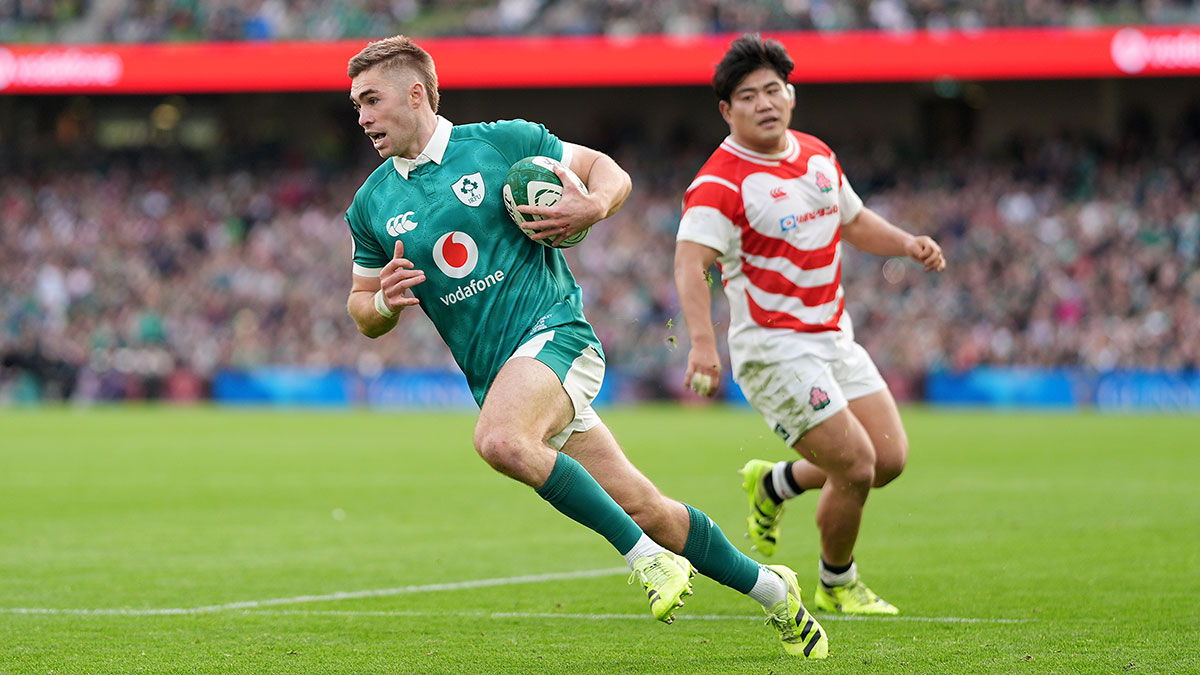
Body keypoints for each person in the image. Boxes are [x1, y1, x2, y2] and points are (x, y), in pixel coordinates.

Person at [342, 35, 828, 658]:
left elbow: (608, 171)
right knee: (650, 508)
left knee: (500, 440)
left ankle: (646, 561)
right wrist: (382, 301)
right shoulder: (371, 204)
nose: (362, 117)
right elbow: (360, 310)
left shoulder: (503, 142)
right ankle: (774, 593)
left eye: (371, 101)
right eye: (356, 105)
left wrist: (593, 205)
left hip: (557, 337)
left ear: (416, 94)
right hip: (503, 376)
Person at [674, 33, 946, 617]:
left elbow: (853, 219)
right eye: (749, 96)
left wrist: (907, 244)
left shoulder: (816, 154)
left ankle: (774, 485)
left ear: (791, 95)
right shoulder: (721, 183)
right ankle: (837, 581)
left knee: (890, 458)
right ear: (727, 110)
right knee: (856, 465)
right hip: (773, 349)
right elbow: (689, 262)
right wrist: (701, 345)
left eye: (774, 89)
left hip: (832, 337)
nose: (765, 102)